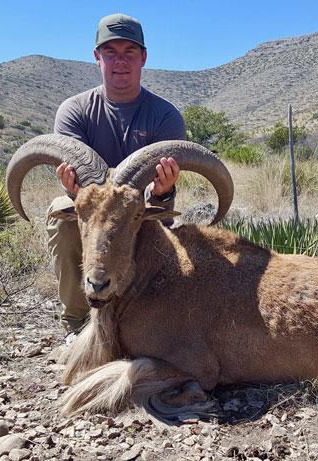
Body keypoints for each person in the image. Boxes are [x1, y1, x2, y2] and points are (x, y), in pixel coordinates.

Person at [48, 13, 186, 334]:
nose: (120, 61)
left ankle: (145, 321)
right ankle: (77, 323)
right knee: (61, 213)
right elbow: (81, 189)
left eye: (129, 52)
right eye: (110, 52)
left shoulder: (165, 116)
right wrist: (73, 188)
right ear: (97, 57)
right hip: (94, 212)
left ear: (144, 58)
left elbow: (159, 200)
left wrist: (163, 191)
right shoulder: (75, 111)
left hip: (141, 213)